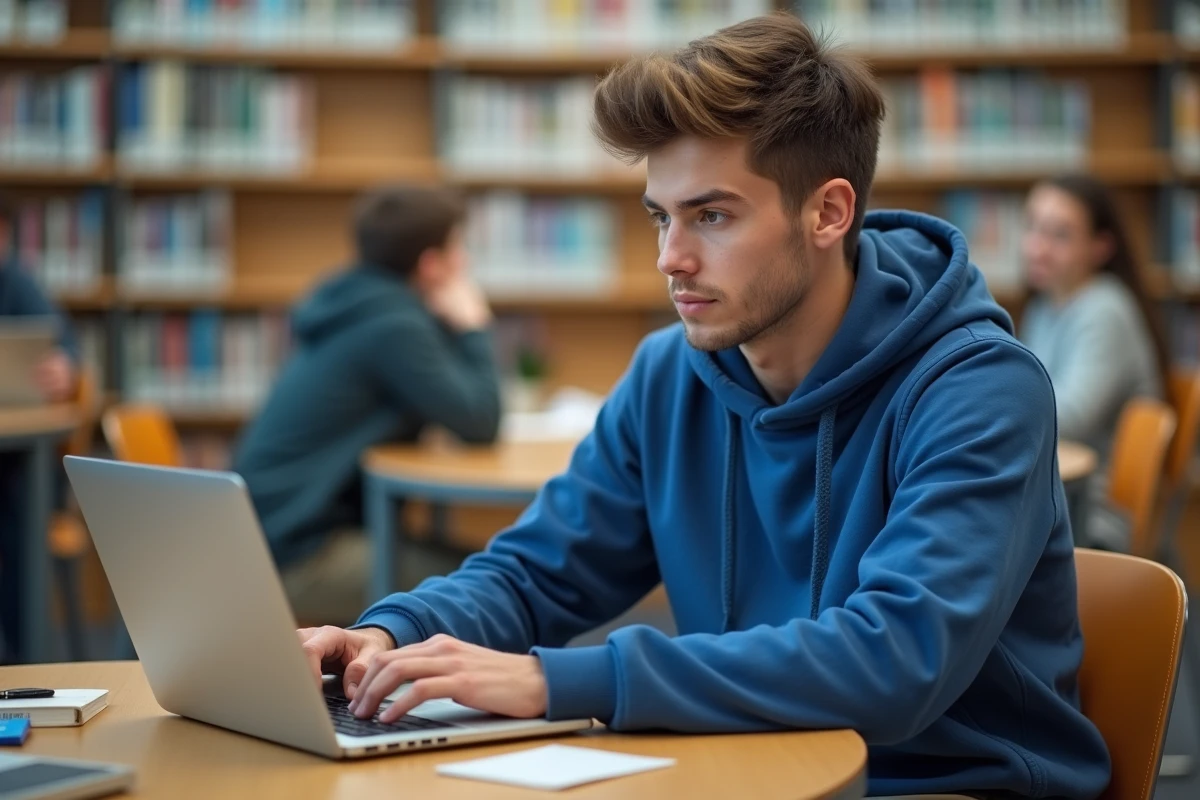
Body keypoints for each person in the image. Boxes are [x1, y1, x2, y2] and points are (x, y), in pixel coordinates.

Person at [298, 16, 1110, 800]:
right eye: (662, 215)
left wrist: (557, 678)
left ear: (828, 213)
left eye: (711, 215)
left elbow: (896, 662)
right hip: (748, 766)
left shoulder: (979, 388)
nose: (670, 258)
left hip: (949, 783)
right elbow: (537, 572)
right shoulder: (669, 372)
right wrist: (387, 636)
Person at [232, 186, 501, 627]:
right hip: (298, 557)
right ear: (432, 265)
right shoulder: (393, 326)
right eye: (459, 247)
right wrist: (474, 326)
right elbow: (480, 420)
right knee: (492, 588)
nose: (466, 262)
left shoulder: (357, 305)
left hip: (263, 540)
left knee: (481, 569)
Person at [1020, 175, 1169, 552]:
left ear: (1100, 246)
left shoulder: (1105, 309)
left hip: (1092, 515)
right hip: (1056, 497)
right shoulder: (1044, 306)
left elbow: (1067, 416)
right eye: (1033, 227)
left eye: (1060, 236)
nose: (1038, 247)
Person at [0, 192, 80, 662]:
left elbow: (67, 350)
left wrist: (64, 368)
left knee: (20, 517)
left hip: (15, 465)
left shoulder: (18, 284)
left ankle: (24, 658)